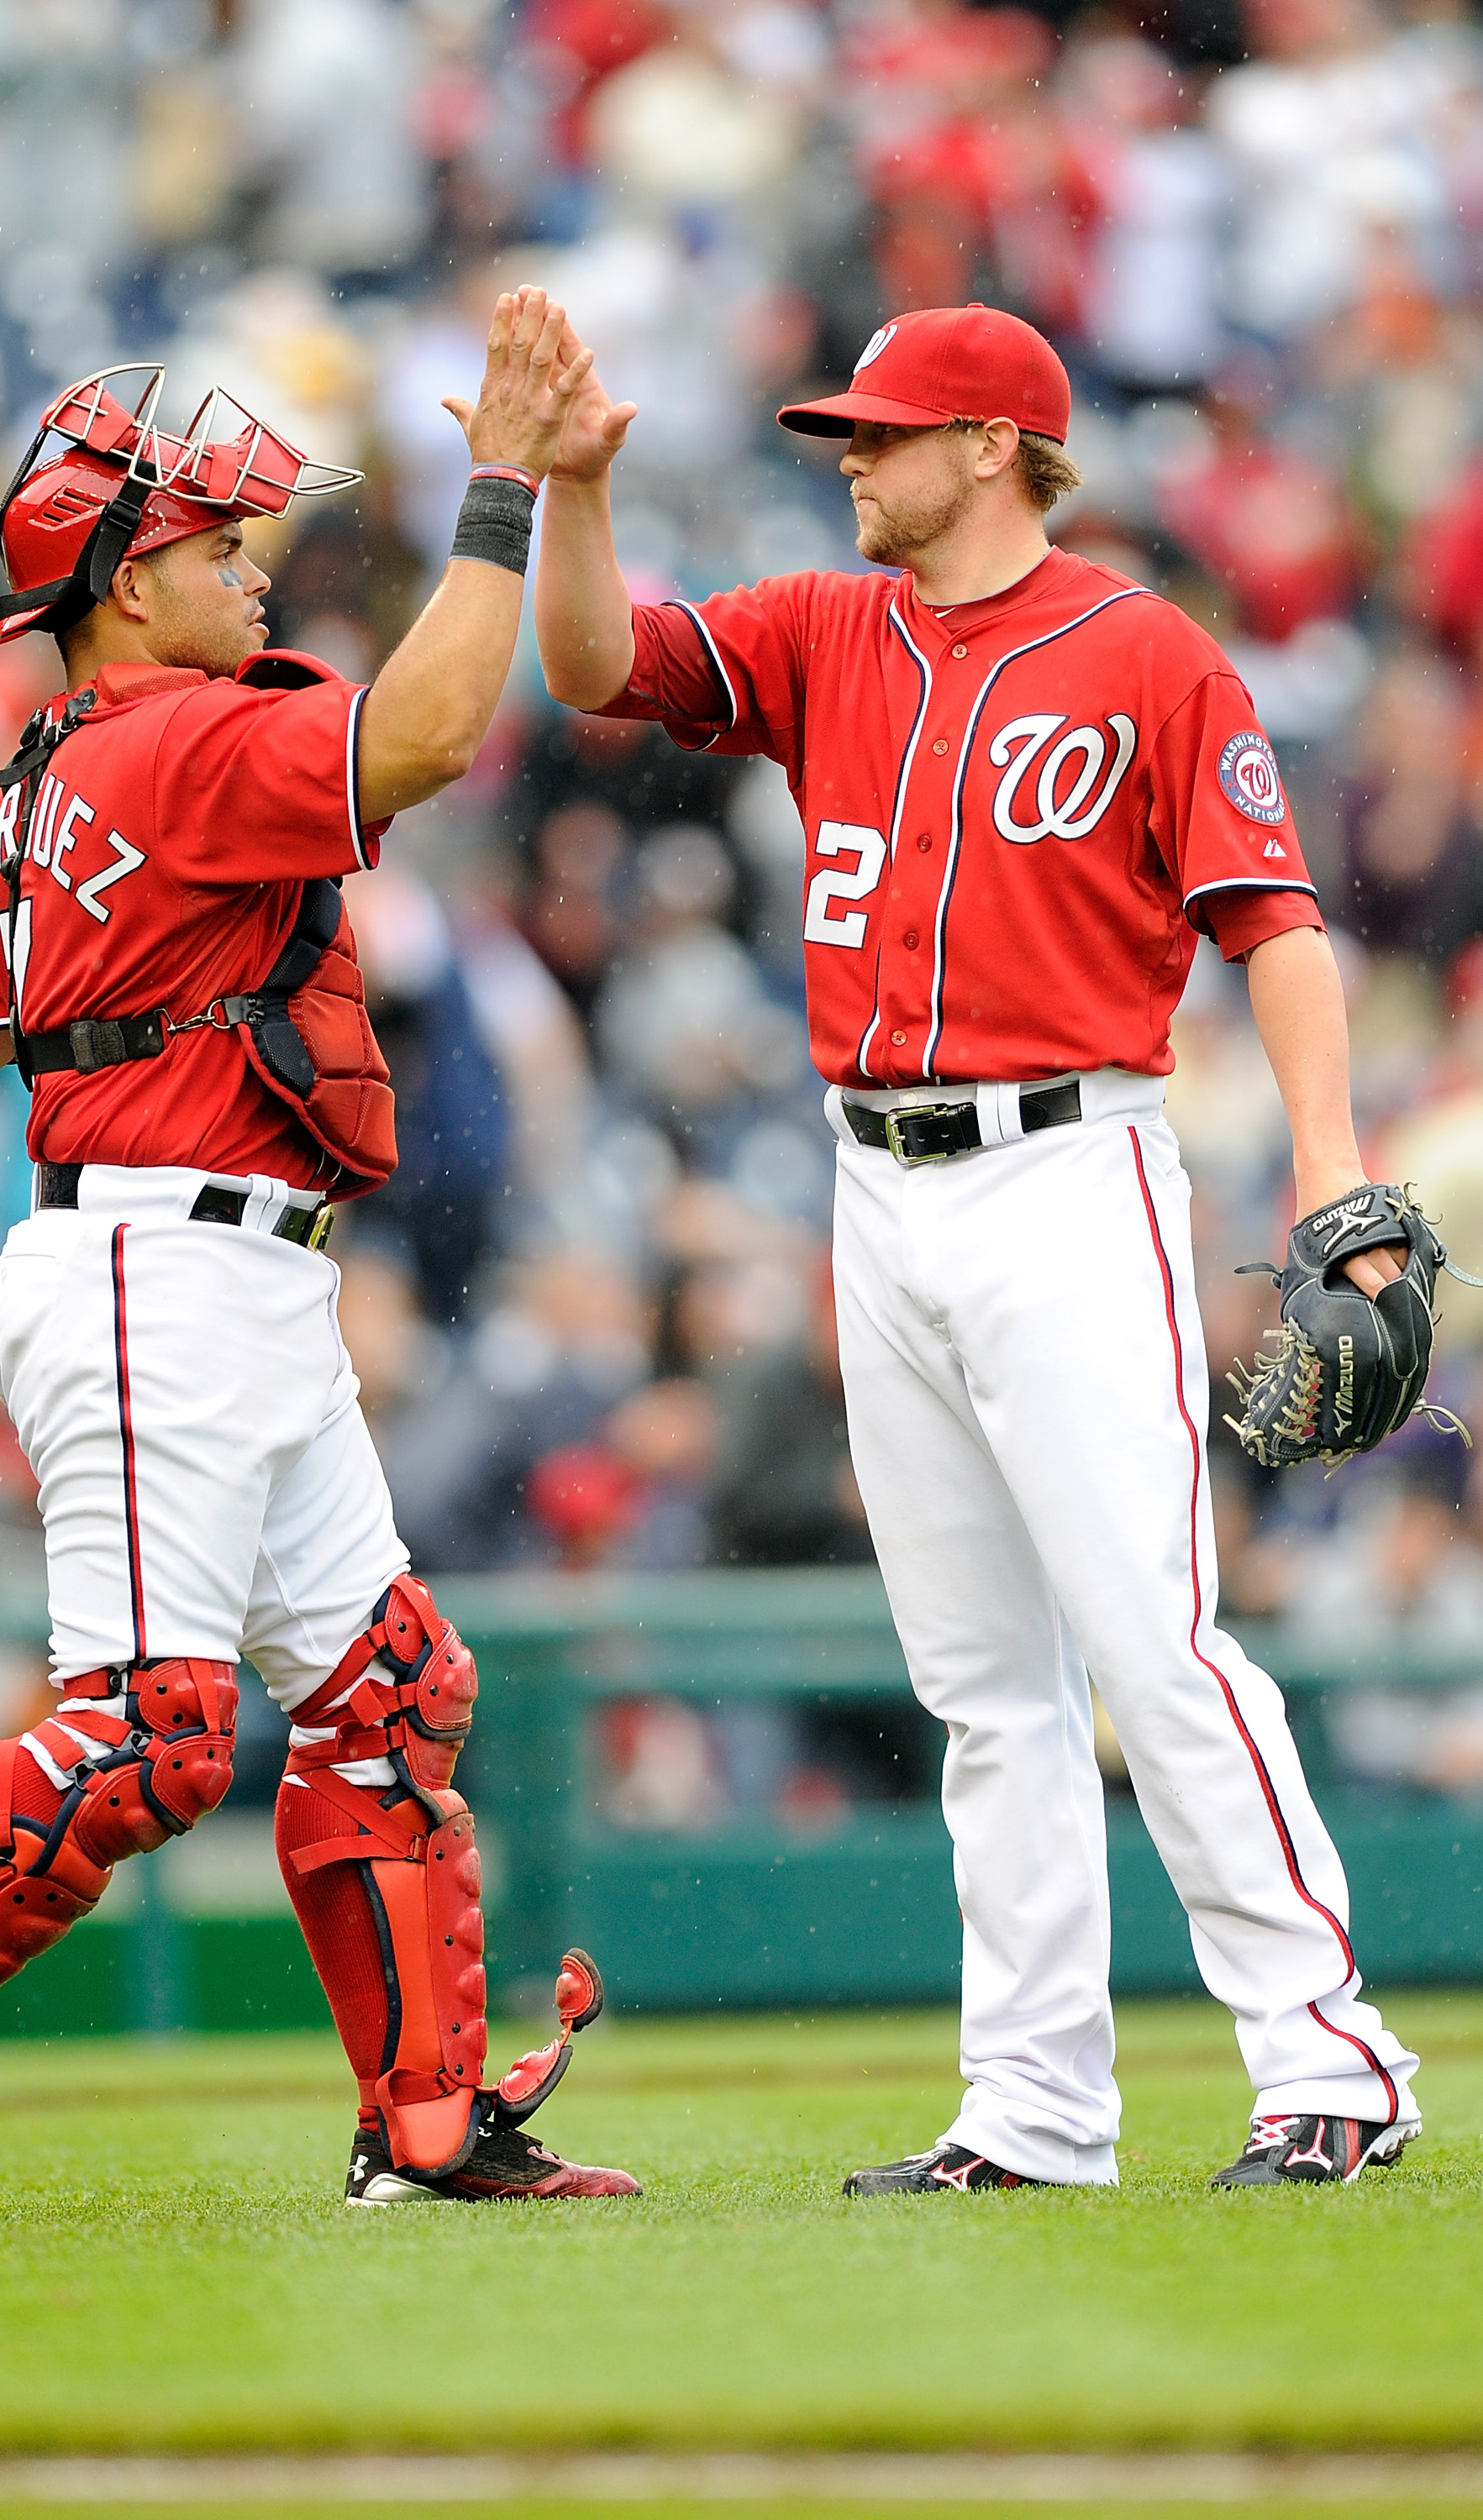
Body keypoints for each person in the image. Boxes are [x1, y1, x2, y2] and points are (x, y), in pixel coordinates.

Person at [534, 299, 1422, 2192]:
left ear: (997, 445)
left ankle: (1333, 2063)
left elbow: (1276, 926)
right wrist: (573, 494)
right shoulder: (818, 627)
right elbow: (596, 666)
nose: (848, 457)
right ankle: (1029, 2111)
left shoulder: (1148, 654)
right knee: (981, 1688)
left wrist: (1328, 1178)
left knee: (1153, 1648)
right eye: (841, 431)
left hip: (1066, 1166)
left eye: (882, 431)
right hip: (874, 1182)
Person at [0, 294, 639, 2219]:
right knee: (148, 1737)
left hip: (215, 1272)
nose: (249, 572)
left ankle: (424, 2131)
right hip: (153, 1275)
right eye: (209, 545)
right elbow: (433, 730)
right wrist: (503, 484)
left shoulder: (22, 804)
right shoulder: (182, 746)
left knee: (385, 1687)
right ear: (114, 581)